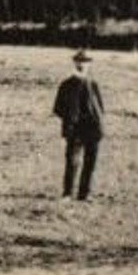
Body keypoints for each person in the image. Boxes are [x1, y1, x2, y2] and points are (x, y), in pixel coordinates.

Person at [52, 49, 105, 201]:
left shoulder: (93, 85)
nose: (82, 64)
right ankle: (67, 192)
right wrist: (70, 119)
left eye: (85, 62)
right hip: (75, 129)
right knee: (72, 161)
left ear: (89, 64)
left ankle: (85, 193)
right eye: (79, 61)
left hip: (92, 129)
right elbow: (58, 108)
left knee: (90, 162)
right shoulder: (66, 85)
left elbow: (100, 108)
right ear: (74, 63)